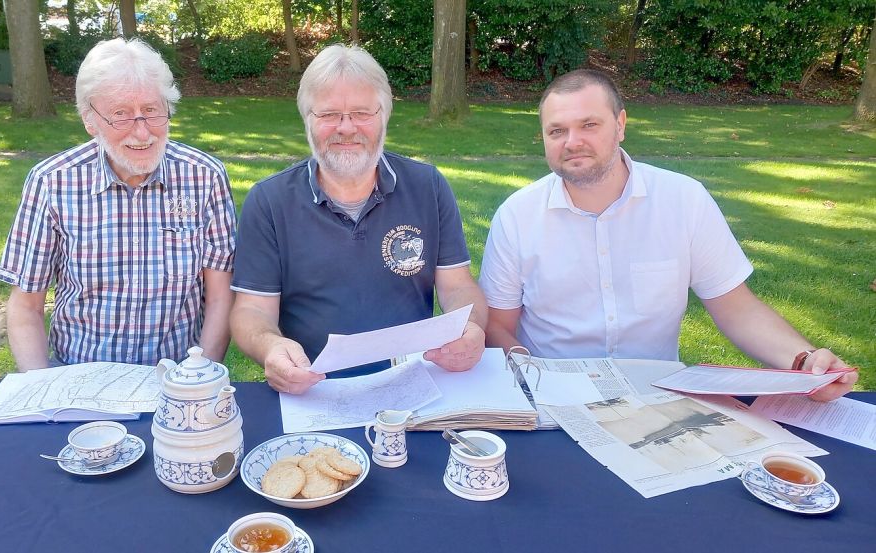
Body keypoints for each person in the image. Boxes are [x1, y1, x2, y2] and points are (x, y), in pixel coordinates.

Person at [479, 69, 856, 402]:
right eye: (557, 131)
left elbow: (736, 307)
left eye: (589, 125)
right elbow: (497, 325)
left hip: (658, 397)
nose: (572, 141)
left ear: (621, 124)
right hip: (556, 397)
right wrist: (538, 381)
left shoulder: (683, 199)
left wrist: (805, 362)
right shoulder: (517, 215)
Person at [230, 44, 487, 394]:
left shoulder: (428, 186)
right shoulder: (269, 200)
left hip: (414, 382)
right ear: (308, 120)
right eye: (328, 114)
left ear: (385, 115)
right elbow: (252, 311)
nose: (346, 128)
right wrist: (270, 347)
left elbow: (458, 286)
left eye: (362, 113)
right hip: (314, 389)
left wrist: (471, 327)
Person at [0, 38, 236, 371]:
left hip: (175, 378)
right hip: (80, 375)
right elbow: (26, 307)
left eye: (152, 111)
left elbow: (221, 297)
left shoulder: (205, 177)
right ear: (90, 121)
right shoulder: (52, 182)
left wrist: (198, 381)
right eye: (121, 116)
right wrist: (44, 390)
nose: (142, 133)